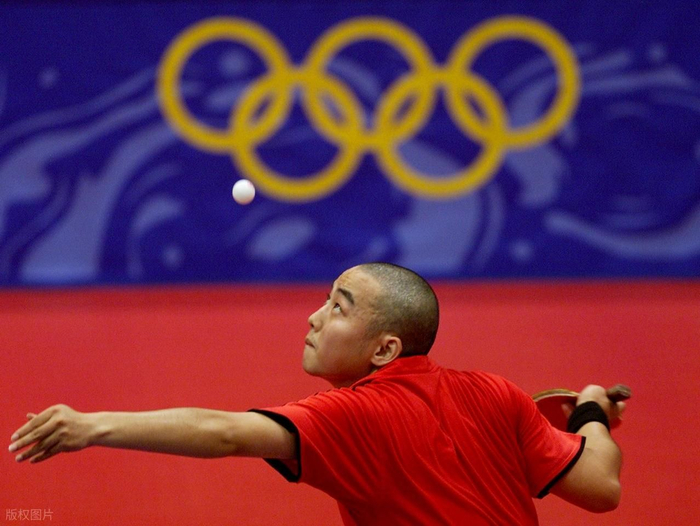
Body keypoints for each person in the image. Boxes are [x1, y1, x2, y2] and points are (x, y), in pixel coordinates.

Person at [8, 263, 624, 525]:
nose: (313, 317)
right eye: (325, 300)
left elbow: (224, 434)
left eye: (338, 308)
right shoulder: (497, 392)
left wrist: (92, 426)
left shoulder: (353, 415)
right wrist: (592, 410)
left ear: (384, 349)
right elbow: (600, 487)